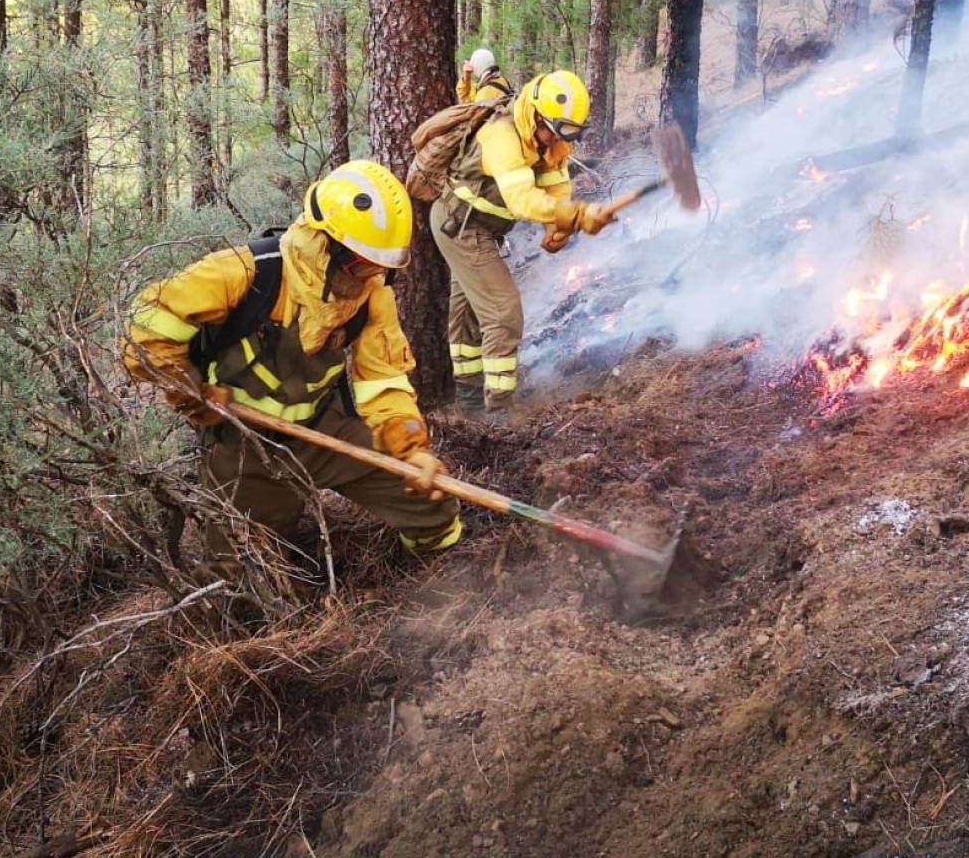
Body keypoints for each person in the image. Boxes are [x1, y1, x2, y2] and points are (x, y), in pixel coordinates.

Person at [124, 160, 461, 573]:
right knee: (242, 575)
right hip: (245, 442)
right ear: (326, 244)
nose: (371, 276)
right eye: (361, 264)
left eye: (382, 267)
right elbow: (144, 328)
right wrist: (188, 390)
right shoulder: (246, 273)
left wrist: (411, 449)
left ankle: (435, 576)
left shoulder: (372, 294)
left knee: (431, 501)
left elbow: (383, 379)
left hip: (323, 429)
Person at [432, 69, 614, 413]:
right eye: (552, 131)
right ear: (535, 113)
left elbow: (556, 186)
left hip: (484, 228)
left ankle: (469, 403)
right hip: (460, 227)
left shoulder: (550, 136)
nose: (554, 140)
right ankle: (498, 413)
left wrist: (555, 228)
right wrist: (574, 215)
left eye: (565, 133)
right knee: (503, 312)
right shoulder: (502, 136)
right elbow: (521, 200)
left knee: (469, 314)